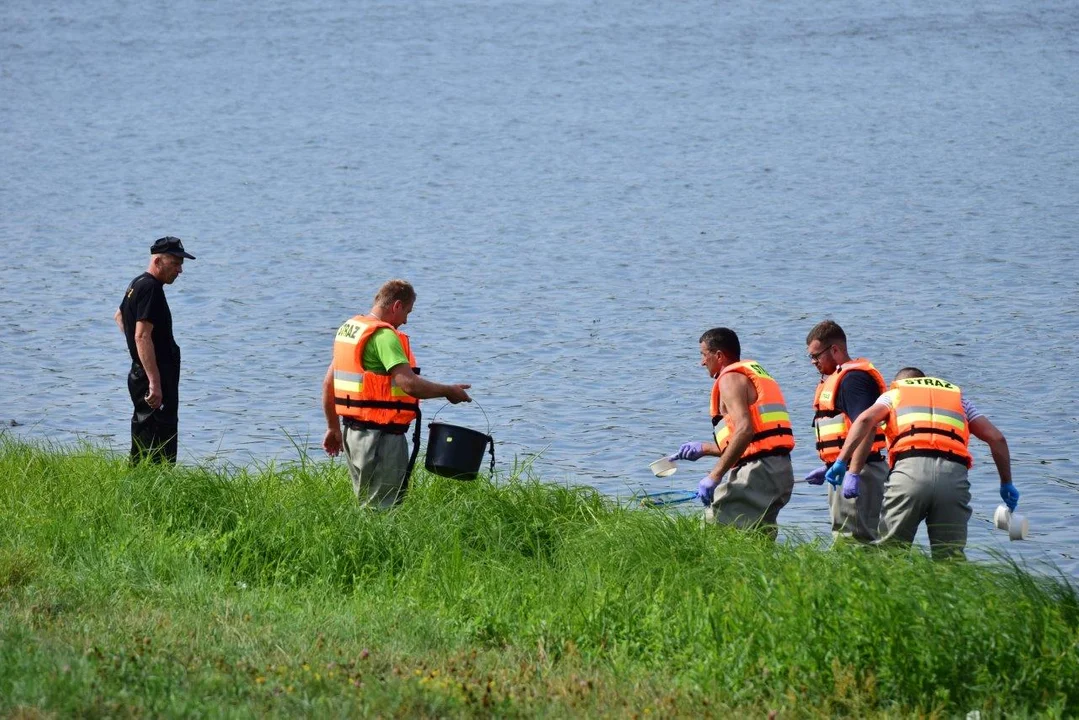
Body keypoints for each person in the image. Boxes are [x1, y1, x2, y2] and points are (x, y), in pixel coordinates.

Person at [826, 367, 1019, 559]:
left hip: (909, 475)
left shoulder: (893, 395)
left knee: (891, 554)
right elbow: (997, 438)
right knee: (951, 558)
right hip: (953, 477)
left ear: (901, 382)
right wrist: (1006, 483)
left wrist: (843, 462)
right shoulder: (960, 400)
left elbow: (866, 419)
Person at [321, 279, 472, 508]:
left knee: (366, 504)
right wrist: (448, 391)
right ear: (397, 306)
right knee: (384, 509)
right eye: (407, 312)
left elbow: (328, 384)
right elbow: (408, 384)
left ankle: (363, 543)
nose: (406, 320)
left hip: (352, 433)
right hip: (380, 438)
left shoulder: (351, 329)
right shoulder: (384, 336)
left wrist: (333, 427)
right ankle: (378, 545)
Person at [668, 327, 797, 536]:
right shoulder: (753, 374)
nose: (701, 362)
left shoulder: (729, 379)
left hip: (758, 472)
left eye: (703, 355)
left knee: (710, 533)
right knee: (756, 541)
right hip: (780, 471)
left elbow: (745, 431)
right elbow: (756, 441)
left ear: (719, 355)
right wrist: (704, 449)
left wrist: (714, 476)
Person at [804, 320, 889, 542]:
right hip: (849, 468)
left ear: (835, 350)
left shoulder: (853, 380)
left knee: (854, 542)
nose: (813, 362)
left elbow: (867, 426)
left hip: (861, 471)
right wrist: (829, 466)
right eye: (811, 357)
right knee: (847, 537)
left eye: (816, 356)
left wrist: (851, 472)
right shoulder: (839, 379)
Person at [114, 236, 196, 464]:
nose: (180, 270)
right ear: (158, 261)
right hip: (154, 376)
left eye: (181, 264)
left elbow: (119, 316)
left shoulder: (137, 283)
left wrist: (138, 354)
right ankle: (155, 489)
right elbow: (141, 335)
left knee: (145, 433)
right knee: (160, 441)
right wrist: (154, 381)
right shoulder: (151, 288)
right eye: (176, 263)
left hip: (142, 373)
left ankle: (139, 485)